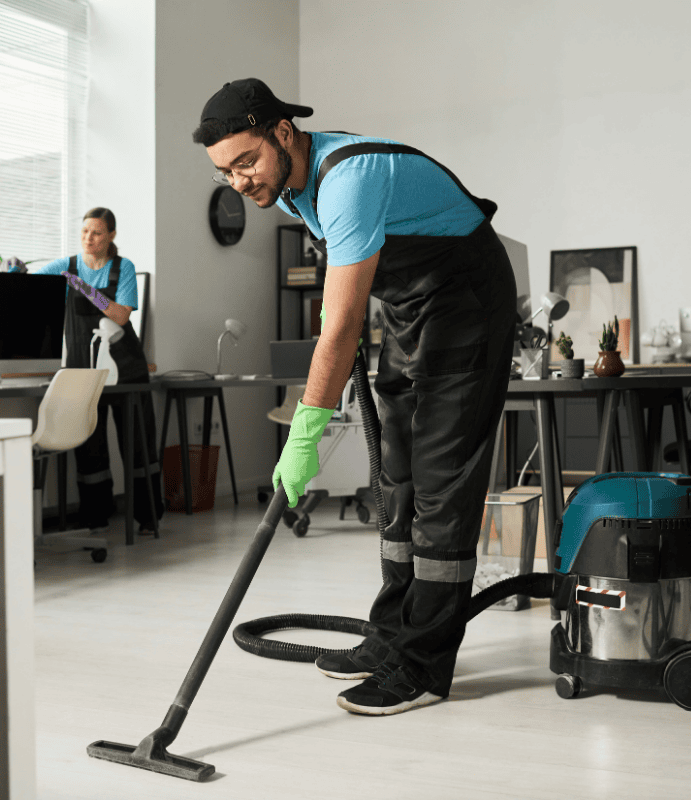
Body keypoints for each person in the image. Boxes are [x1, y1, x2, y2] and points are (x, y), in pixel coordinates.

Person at [192, 79, 517, 716]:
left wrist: (305, 431)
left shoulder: (349, 178)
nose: (240, 182)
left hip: (468, 304)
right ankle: (392, 636)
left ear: (284, 133)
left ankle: (422, 665)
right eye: (226, 171)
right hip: (410, 309)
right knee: (395, 477)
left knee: (440, 483)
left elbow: (338, 326)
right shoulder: (292, 189)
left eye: (247, 161)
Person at [14, 207, 164, 534]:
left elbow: (122, 316)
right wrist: (15, 270)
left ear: (110, 235)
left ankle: (148, 516)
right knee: (89, 445)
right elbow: (30, 289)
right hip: (84, 369)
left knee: (137, 443)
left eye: (96, 233)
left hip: (125, 369)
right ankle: (96, 514)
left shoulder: (123, 268)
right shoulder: (66, 266)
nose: (88, 239)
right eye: (84, 232)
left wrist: (84, 289)